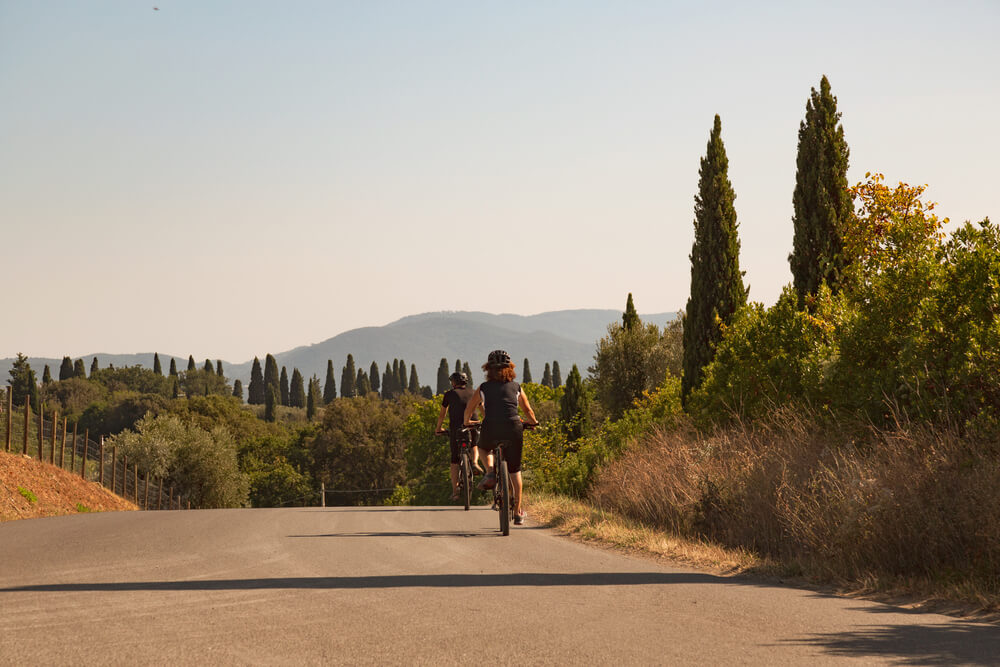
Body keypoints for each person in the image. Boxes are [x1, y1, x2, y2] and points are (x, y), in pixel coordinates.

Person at [463, 349, 538, 526]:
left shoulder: (483, 388)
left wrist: (467, 422)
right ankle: (518, 512)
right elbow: (527, 410)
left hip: (491, 426)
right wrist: (533, 422)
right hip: (514, 427)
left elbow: (469, 408)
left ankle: (490, 472)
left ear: (488, 369)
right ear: (510, 368)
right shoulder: (517, 387)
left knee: (482, 447)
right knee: (515, 470)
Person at [434, 372, 483, 501]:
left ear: (453, 383)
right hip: (473, 424)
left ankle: (455, 491)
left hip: (457, 428)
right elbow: (482, 408)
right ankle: (474, 462)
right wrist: (486, 421)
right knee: (474, 444)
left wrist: (439, 429)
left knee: (454, 460)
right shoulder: (474, 393)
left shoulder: (449, 394)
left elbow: (442, 414)